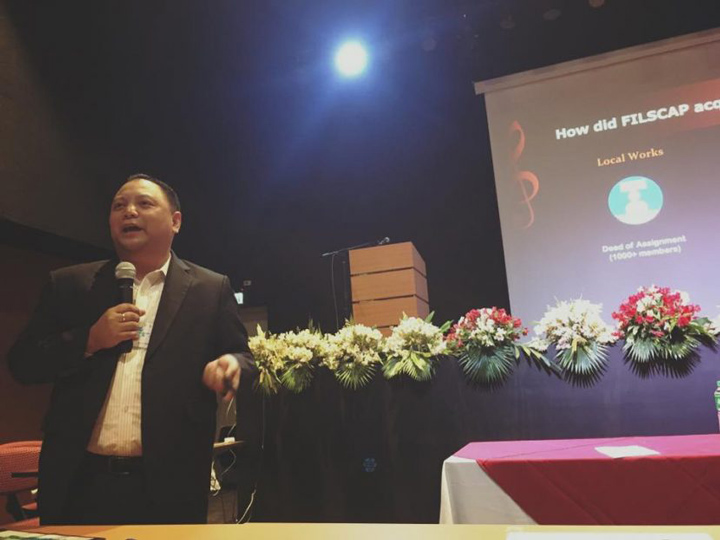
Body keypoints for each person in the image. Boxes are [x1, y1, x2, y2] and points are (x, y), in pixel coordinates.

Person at [8, 173, 256, 525]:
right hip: (79, 482)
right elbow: (23, 363)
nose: (129, 212)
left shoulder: (210, 289)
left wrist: (231, 364)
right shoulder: (70, 285)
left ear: (175, 221)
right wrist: (89, 339)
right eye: (119, 206)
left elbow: (244, 357)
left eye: (144, 203)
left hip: (170, 484)